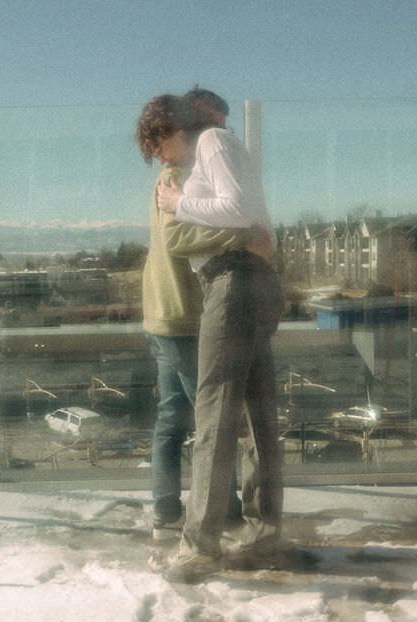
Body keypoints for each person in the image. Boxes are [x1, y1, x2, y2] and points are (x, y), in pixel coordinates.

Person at [152, 89, 284, 582]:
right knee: (255, 415)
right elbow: (243, 219)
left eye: (162, 139)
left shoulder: (214, 141)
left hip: (233, 283)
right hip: (249, 282)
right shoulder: (222, 147)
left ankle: (200, 547)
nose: (162, 153)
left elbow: (237, 209)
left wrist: (178, 201)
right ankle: (263, 535)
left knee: (213, 414)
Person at [137, 94, 242, 541]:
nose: (218, 135)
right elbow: (180, 239)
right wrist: (245, 228)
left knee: (173, 416)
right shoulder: (177, 175)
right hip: (181, 313)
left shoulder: (174, 174)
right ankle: (225, 510)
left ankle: (166, 509)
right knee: (210, 418)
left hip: (164, 310)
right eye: (210, 126)